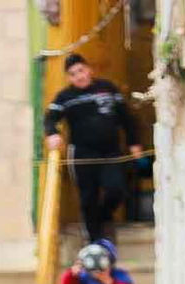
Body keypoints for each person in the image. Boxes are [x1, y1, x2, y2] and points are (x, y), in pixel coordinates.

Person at [44, 53, 142, 243]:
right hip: (83, 154)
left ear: (89, 70)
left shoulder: (108, 88)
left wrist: (134, 143)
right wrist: (52, 133)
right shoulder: (65, 97)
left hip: (111, 152)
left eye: (80, 70)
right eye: (72, 74)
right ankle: (94, 239)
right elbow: (50, 118)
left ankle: (103, 217)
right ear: (68, 78)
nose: (78, 76)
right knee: (88, 197)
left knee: (117, 190)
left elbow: (126, 118)